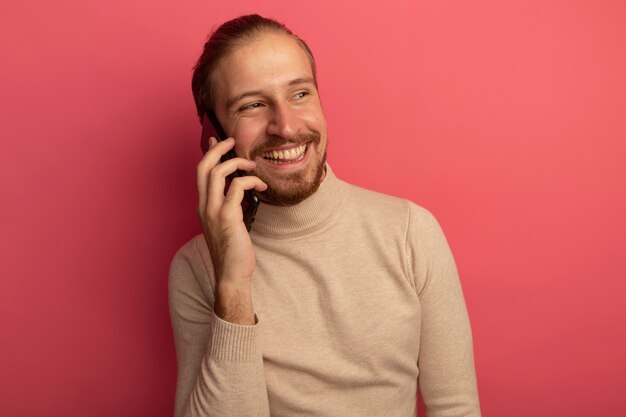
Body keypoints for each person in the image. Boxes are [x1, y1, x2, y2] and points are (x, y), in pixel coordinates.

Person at [169, 14, 481, 417]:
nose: (286, 126)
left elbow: (456, 408)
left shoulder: (410, 233)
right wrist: (233, 286)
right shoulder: (196, 269)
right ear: (213, 137)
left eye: (300, 94)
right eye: (253, 105)